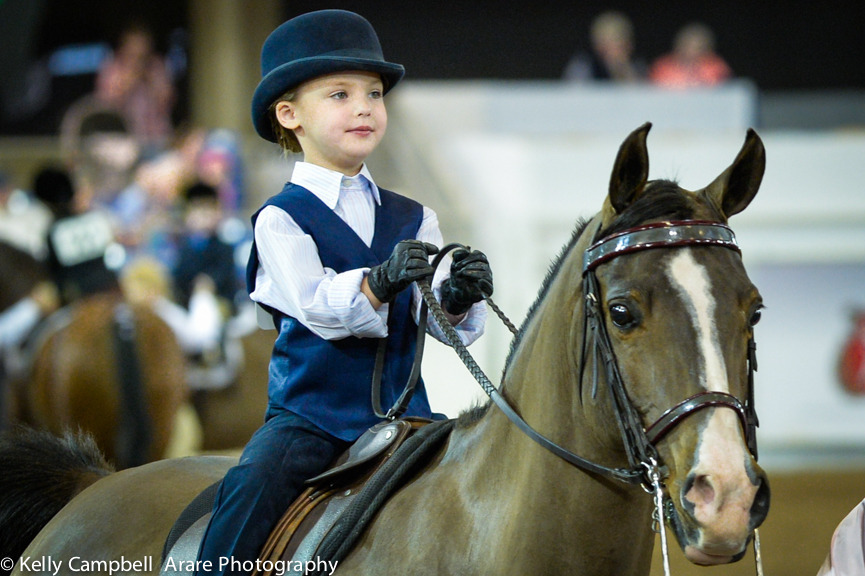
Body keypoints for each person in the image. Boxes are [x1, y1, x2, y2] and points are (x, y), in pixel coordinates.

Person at [194, 9, 493, 575]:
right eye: (339, 94)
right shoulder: (280, 219)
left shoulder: (416, 216)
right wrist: (378, 281)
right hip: (311, 419)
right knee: (249, 488)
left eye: (374, 94)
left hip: (410, 418)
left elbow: (438, 325)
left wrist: (456, 295)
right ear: (290, 115)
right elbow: (318, 308)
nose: (364, 107)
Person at [32, 166, 122, 306]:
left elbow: (54, 276)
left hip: (79, 299)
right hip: (112, 288)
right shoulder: (94, 219)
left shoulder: (55, 230)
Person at [95, 22, 176, 157]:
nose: (139, 51)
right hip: (122, 142)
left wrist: (149, 80)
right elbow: (105, 107)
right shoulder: (112, 68)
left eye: (143, 44)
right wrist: (129, 81)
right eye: (135, 44)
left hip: (157, 139)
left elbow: (167, 101)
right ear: (125, 45)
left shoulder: (157, 66)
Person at [563, 11, 646, 83]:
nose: (612, 49)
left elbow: (641, 95)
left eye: (618, 43)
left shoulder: (638, 66)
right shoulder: (583, 66)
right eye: (606, 43)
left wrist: (622, 69)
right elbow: (573, 95)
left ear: (628, 45)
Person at [649, 22, 732, 88]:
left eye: (698, 47)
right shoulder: (662, 67)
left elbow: (724, 91)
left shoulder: (716, 67)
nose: (690, 51)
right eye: (686, 45)